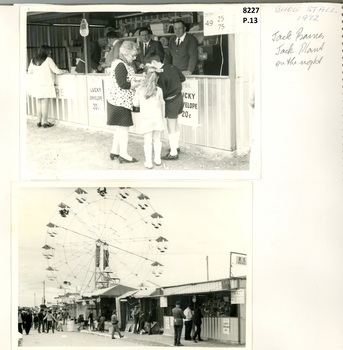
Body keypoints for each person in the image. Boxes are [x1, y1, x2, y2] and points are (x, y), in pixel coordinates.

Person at [106, 40, 141, 163]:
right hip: (119, 101)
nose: (134, 58)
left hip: (118, 100)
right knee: (124, 129)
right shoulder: (120, 64)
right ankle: (124, 155)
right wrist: (137, 84)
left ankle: (114, 151)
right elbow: (123, 84)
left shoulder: (121, 63)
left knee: (119, 129)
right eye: (133, 55)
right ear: (125, 53)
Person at [149, 59, 185, 160]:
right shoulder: (172, 67)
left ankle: (173, 153)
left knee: (171, 127)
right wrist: (175, 83)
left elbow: (161, 92)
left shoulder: (159, 75)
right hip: (179, 97)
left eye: (150, 65)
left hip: (171, 101)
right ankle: (176, 146)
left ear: (154, 62)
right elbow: (183, 78)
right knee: (176, 123)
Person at [27, 44, 68, 128]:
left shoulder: (33, 60)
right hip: (45, 85)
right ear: (46, 51)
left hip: (37, 85)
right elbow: (56, 70)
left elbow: (29, 72)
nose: (51, 52)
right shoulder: (48, 60)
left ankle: (38, 121)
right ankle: (45, 122)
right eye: (49, 50)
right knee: (45, 104)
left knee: (39, 103)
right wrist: (64, 71)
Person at [133, 65, 165, 169]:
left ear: (145, 76)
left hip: (146, 118)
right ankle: (158, 159)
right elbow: (162, 103)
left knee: (147, 141)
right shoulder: (159, 90)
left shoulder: (140, 90)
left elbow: (136, 104)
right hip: (157, 118)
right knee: (157, 140)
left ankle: (149, 162)